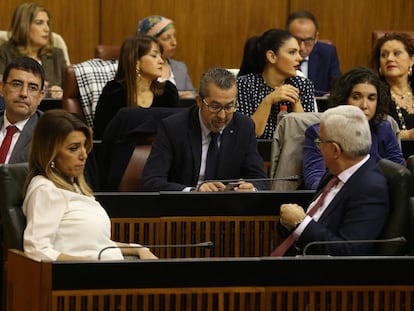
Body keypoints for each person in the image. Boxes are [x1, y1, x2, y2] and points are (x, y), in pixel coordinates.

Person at [22, 109, 158, 261]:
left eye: (84, 146)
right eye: (74, 148)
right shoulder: (45, 190)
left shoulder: (74, 187)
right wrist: (90, 265)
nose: (84, 155)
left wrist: (137, 248)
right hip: (81, 278)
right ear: (49, 152)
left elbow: (95, 245)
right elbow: (37, 250)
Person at [276, 105, 390, 256]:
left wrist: (300, 223)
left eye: (320, 141)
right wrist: (289, 222)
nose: (318, 147)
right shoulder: (333, 173)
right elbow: (316, 219)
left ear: (335, 150)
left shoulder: (370, 188)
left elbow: (348, 252)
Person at [142, 68, 269, 192]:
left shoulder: (244, 127)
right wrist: (193, 191)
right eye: (215, 106)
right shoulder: (173, 128)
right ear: (199, 101)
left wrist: (251, 188)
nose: (222, 115)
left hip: (228, 209)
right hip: (185, 209)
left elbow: (260, 180)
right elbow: (151, 181)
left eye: (229, 106)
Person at [303, 67, 405, 190]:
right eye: (357, 97)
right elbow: (315, 182)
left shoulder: (384, 128)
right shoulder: (319, 132)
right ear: (344, 99)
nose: (364, 105)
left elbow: (399, 175)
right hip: (336, 199)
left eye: (371, 98)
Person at [93, 35, 179, 139]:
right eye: (154, 56)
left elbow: (175, 132)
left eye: (161, 56)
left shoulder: (168, 91)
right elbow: (102, 136)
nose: (161, 61)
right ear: (136, 62)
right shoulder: (114, 92)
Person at [236, 28, 316, 139]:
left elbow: (307, 136)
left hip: (292, 154)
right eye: (292, 52)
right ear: (272, 56)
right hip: (256, 153)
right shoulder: (245, 84)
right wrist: (268, 101)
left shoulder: (303, 85)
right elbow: (249, 135)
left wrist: (296, 102)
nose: (300, 58)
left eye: (298, 52)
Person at [0, 2, 67, 98]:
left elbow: (70, 92)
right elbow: (2, 88)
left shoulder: (56, 54)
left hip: (52, 109)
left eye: (47, 23)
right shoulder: (5, 52)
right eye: (39, 23)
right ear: (24, 26)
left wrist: (59, 91)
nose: (47, 29)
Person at [137, 15, 196, 99]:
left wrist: (190, 96)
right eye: (167, 38)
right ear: (151, 43)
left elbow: (193, 96)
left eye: (174, 36)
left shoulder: (181, 67)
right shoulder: (143, 68)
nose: (174, 42)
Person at [285, 10, 341, 96]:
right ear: (286, 36)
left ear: (316, 38)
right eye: (297, 40)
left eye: (308, 41)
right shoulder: (278, 55)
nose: (301, 47)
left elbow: (338, 89)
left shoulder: (328, 54)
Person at [0, 56, 44, 164]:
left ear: (40, 96)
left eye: (32, 88)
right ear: (2, 88)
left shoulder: (49, 132)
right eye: (16, 84)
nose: (23, 93)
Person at [370, 32, 414, 139]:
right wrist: (407, 135)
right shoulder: (374, 94)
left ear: (411, 60)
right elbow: (371, 133)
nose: (389, 59)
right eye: (384, 55)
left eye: (397, 53)